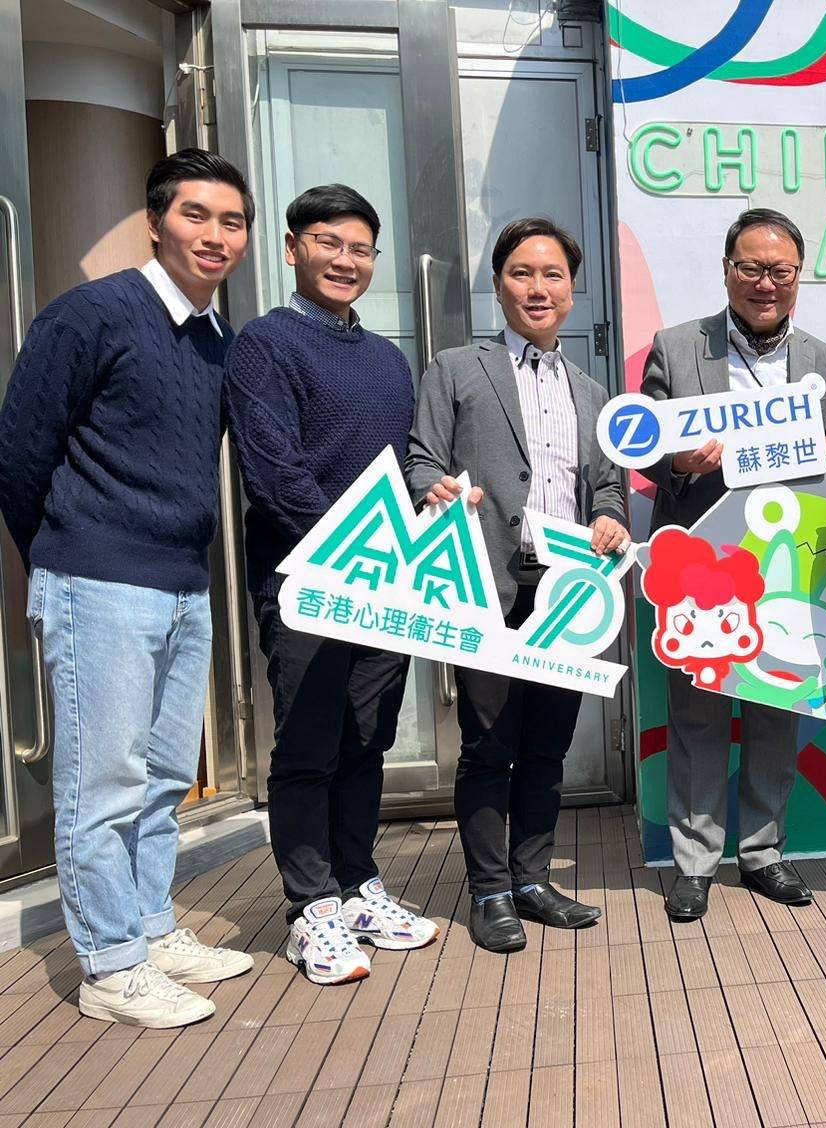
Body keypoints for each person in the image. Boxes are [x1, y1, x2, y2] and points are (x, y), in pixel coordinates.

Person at [0, 150, 256, 1027]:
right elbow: (21, 453)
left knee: (161, 778)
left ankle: (149, 927)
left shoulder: (219, 341)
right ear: (155, 223)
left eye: (231, 221)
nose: (215, 235)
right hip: (98, 581)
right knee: (101, 783)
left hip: (184, 583)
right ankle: (110, 968)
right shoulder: (91, 314)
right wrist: (65, 557)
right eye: (196, 215)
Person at [225, 184, 438, 985]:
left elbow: (402, 470)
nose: (345, 260)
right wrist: (355, 554)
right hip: (307, 586)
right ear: (292, 249)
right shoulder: (264, 345)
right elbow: (274, 474)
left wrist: (434, 501)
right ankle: (310, 908)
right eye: (328, 243)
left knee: (366, 741)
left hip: (386, 587)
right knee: (308, 747)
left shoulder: (386, 359)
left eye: (360, 248)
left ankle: (356, 886)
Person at [407, 218, 628, 953]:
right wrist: (435, 488)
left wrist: (608, 516)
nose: (538, 288)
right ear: (498, 285)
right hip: (485, 585)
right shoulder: (455, 369)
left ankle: (533, 879)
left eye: (552, 275)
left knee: (547, 746)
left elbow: (606, 486)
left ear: (573, 288)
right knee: (487, 745)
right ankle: (489, 890)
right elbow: (420, 459)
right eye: (522, 273)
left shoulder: (592, 391)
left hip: (567, 593)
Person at [640, 207, 826, 922]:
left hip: (788, 563)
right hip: (702, 563)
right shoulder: (677, 347)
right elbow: (646, 448)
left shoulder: (823, 359)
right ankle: (694, 864)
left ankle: (763, 853)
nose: (767, 283)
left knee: (775, 710)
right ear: (727, 270)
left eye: (781, 271)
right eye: (752, 269)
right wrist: (678, 462)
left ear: (799, 276)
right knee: (697, 716)